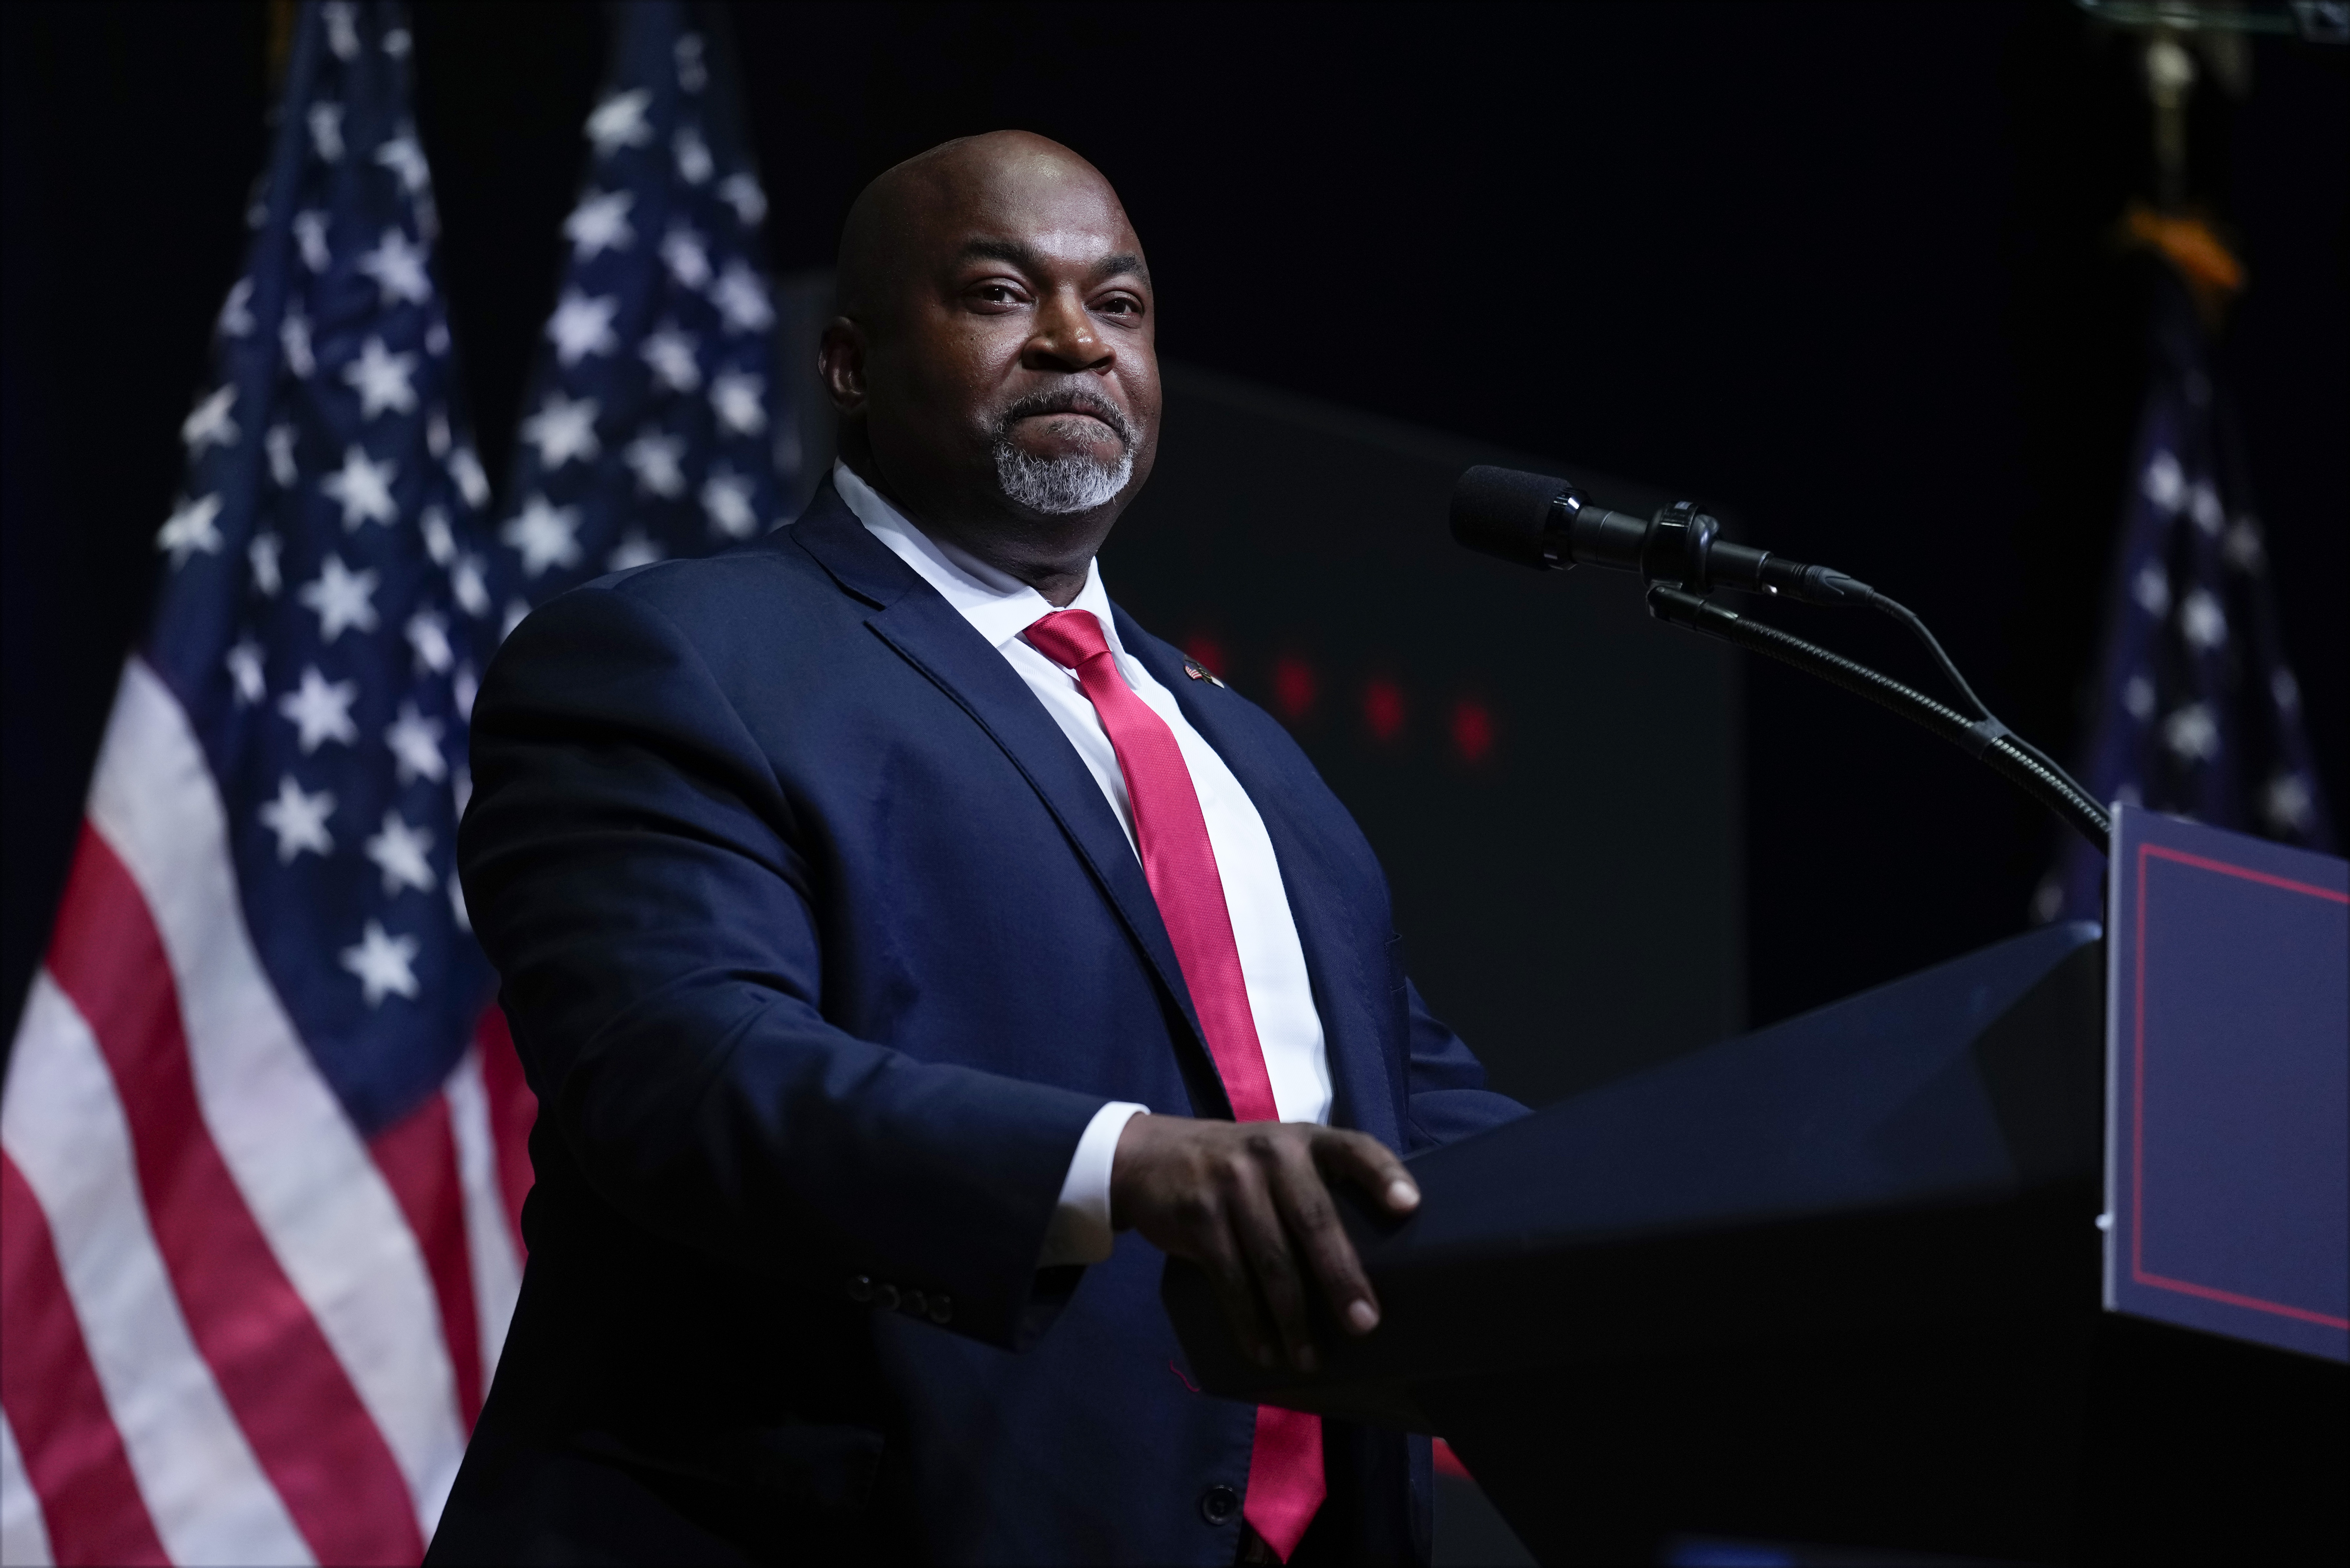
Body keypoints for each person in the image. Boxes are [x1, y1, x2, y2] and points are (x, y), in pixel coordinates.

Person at [429, 130, 1526, 1567]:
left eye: (1118, 306)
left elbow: (1414, 1115)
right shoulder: (676, 658)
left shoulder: (1239, 749)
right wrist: (1120, 1165)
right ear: (847, 365)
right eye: (1004, 294)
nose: (1075, 341)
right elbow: (683, 1076)